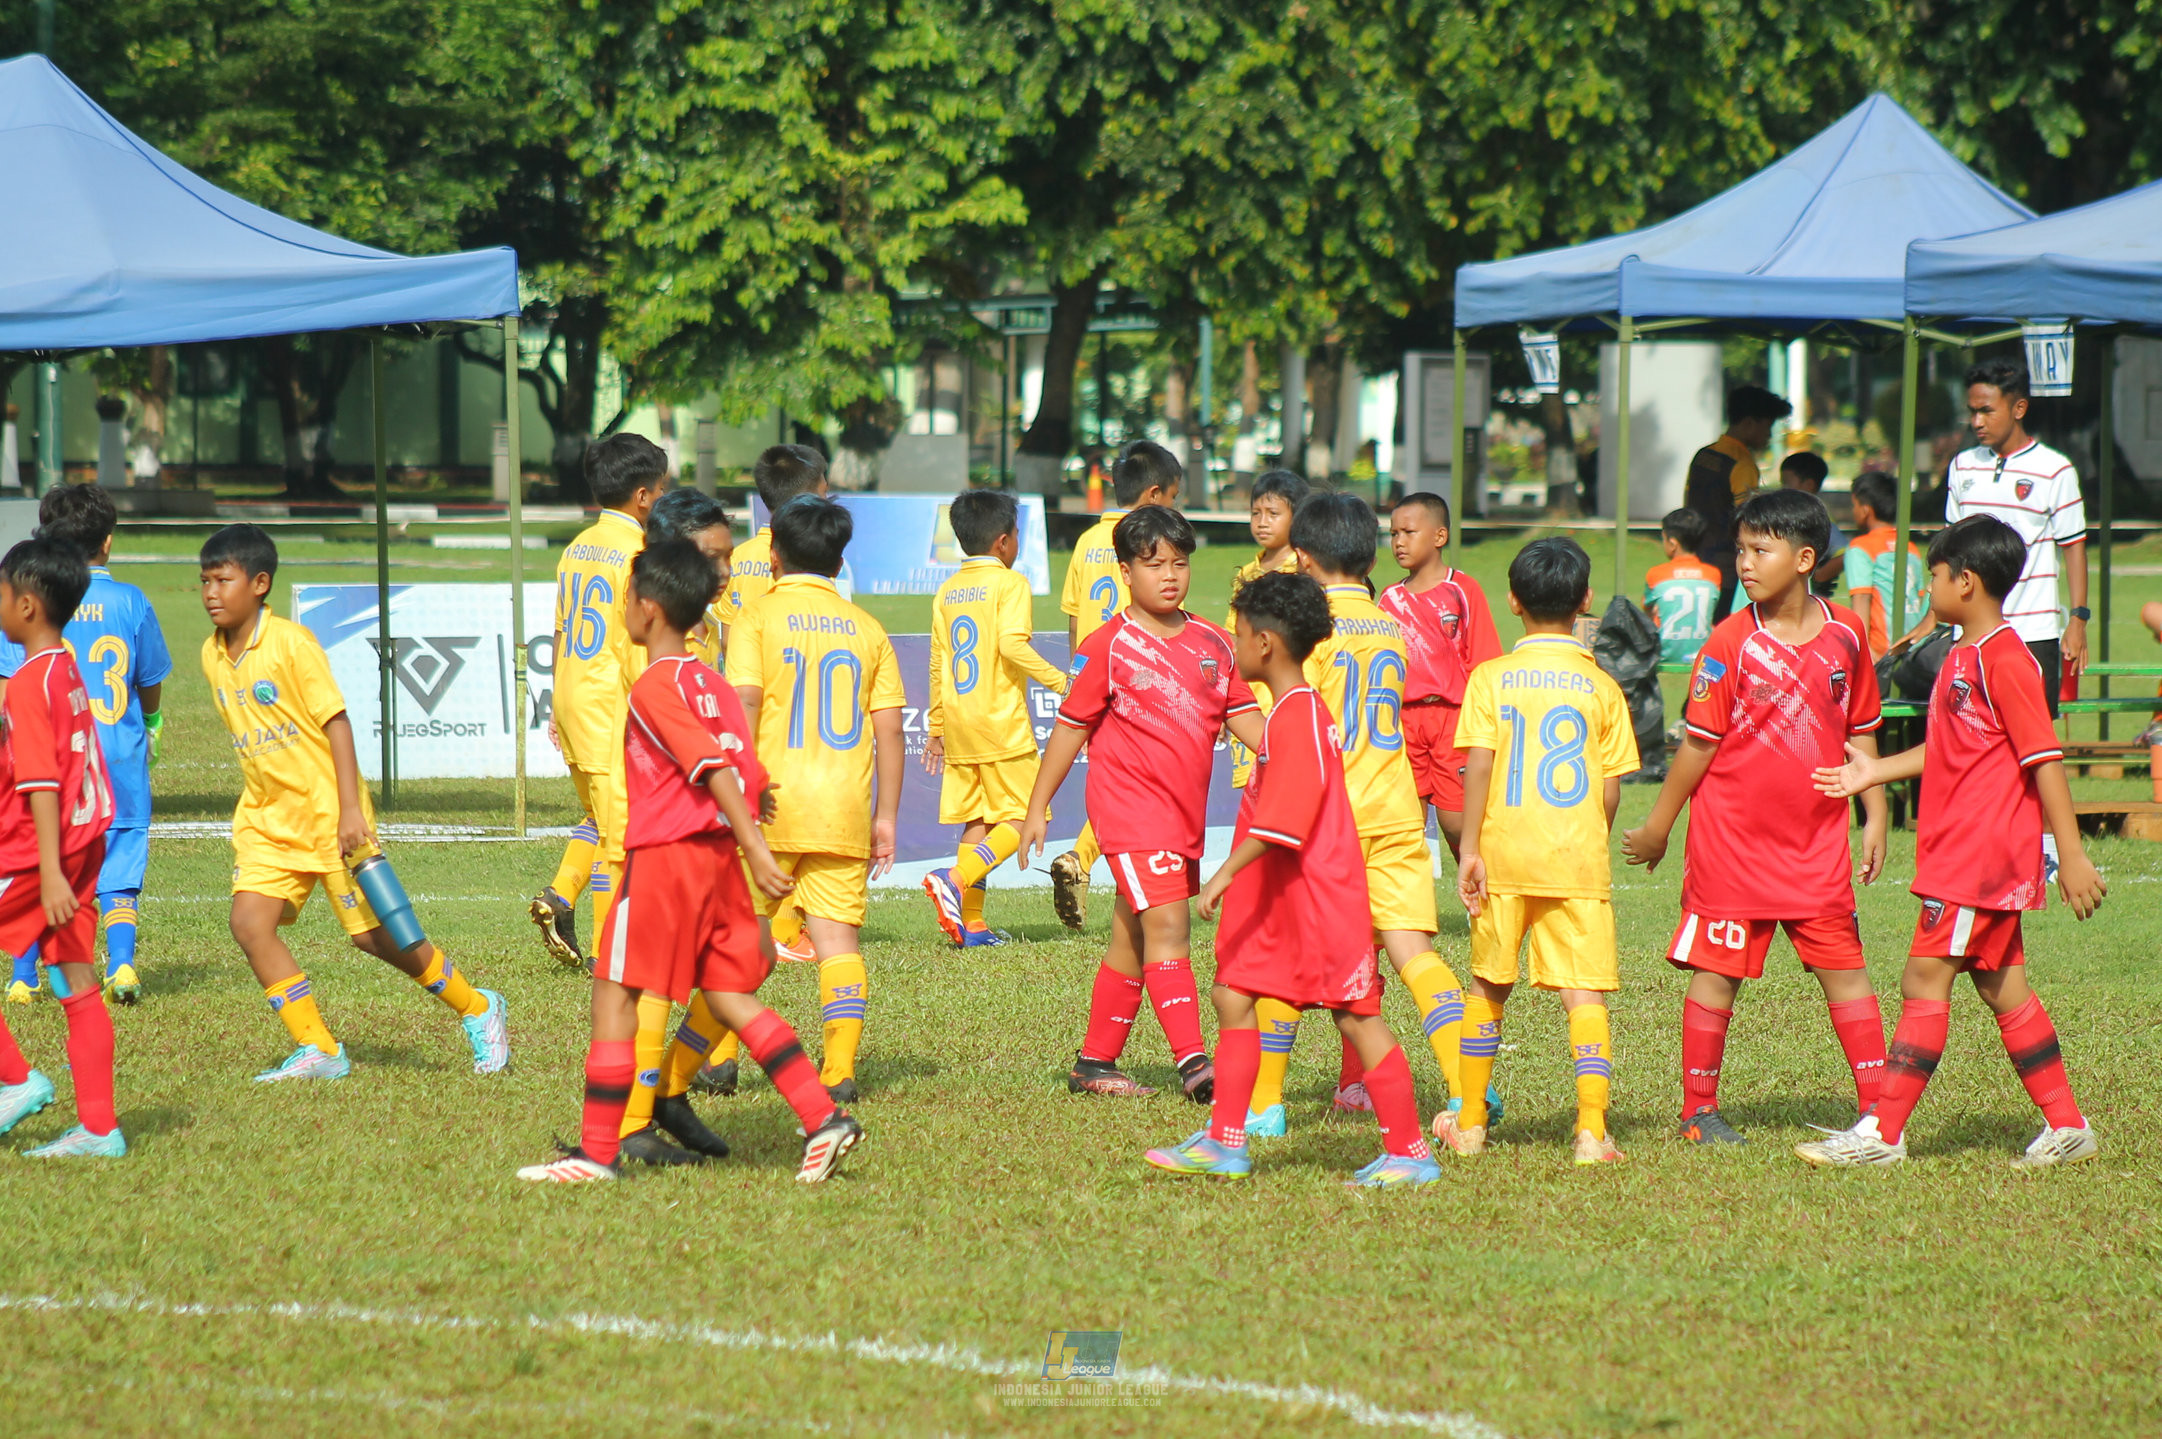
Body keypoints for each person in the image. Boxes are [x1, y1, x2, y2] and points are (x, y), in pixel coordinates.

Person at [517, 540, 862, 1184]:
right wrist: (747, 840)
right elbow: (751, 776)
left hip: (669, 859)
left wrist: (758, 850)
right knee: (729, 995)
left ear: (648, 609)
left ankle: (596, 1156)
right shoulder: (714, 681)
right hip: (717, 861)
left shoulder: (655, 684)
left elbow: (710, 766)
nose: (624, 606)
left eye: (627, 597)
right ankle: (825, 1119)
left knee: (614, 994)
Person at [1800, 515, 2105, 1168]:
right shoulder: (1962, 652)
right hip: (1962, 852)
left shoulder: (2005, 657)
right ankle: (2068, 1125)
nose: (1928, 588)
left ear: (1964, 581)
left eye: (1933, 576)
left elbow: (2044, 758)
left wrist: (2071, 853)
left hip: (1979, 856)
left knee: (1923, 978)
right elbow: (1951, 745)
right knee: (2003, 988)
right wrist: (1874, 770)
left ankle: (1882, 1133)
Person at [1142, 571, 1439, 1187]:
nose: (1234, 643)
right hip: (1288, 897)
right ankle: (1226, 1141)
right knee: (1233, 994)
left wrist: (1223, 874)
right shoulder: (1290, 712)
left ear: (1267, 644)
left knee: (1356, 1016)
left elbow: (1287, 818)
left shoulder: (1299, 714)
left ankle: (1410, 1151)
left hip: (1319, 900)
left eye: (1241, 633)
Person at [1621, 489, 1890, 1145]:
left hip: (1816, 844)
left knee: (1846, 970)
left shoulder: (1846, 636)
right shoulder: (1729, 640)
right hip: (1732, 844)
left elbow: (1862, 731)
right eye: (1740, 549)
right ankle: (1698, 1111)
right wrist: (1659, 823)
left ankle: (1881, 1109)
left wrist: (1875, 810)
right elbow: (1698, 744)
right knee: (1717, 974)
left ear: (1804, 558)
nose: (1743, 562)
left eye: (1758, 550)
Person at [197, 524, 508, 1082]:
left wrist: (349, 810)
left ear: (261, 584)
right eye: (205, 582)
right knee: (249, 923)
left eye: (225, 579)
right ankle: (319, 1048)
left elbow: (336, 724)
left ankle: (478, 1007)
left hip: (328, 814)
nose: (212, 593)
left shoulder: (292, 643)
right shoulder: (211, 655)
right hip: (268, 820)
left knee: (373, 938)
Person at [1241, 492, 1491, 1137]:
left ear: (1301, 555)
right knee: (1415, 955)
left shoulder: (1308, 628)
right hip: (1397, 810)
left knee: (1285, 957)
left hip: (1328, 818)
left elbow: (1295, 724)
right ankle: (1468, 1096)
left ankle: (1266, 1105)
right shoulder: (1389, 623)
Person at [1021, 506, 1263, 1101]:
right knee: (1171, 930)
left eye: (1179, 563)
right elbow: (1071, 728)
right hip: (1131, 813)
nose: (1170, 575)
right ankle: (1197, 1067)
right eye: (1153, 564)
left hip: (1182, 820)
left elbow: (1248, 721)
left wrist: (1299, 749)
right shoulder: (1107, 646)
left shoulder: (1213, 642)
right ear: (1126, 572)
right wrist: (1037, 807)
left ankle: (1094, 1064)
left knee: (1132, 937)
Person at [1436, 537, 1639, 1165]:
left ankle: (1469, 1124)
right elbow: (1610, 789)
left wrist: (1469, 847)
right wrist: (1589, 840)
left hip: (1502, 854)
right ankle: (1590, 1131)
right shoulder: (1602, 686)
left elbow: (1478, 765)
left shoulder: (1491, 677)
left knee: (1487, 987)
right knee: (1585, 994)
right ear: (1584, 602)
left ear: (1514, 601)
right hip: (1575, 858)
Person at [726, 496, 904, 1106]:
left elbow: (745, 702)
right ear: (840, 558)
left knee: (739, 936)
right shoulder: (868, 627)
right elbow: (889, 730)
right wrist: (885, 816)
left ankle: (719, 1060)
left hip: (767, 806)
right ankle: (839, 1071)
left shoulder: (755, 618)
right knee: (837, 945)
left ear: (772, 552)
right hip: (842, 809)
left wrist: (740, 782)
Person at [0, 485, 169, 1007]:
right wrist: (154, 721)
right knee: (119, 857)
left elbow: (12, 683)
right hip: (115, 757)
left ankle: (23, 976)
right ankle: (120, 964)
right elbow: (150, 679)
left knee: (34, 860)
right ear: (108, 542)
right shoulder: (132, 600)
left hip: (51, 759)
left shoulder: (31, 601)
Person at [0, 538, 125, 1157]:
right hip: (85, 844)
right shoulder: (65, 666)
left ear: (25, 604)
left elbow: (41, 781)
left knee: (74, 977)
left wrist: (48, 870)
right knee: (76, 980)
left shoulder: (27, 681)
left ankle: (16, 1082)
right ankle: (100, 1129)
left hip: (39, 854)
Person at [529, 435, 669, 970]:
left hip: (572, 695)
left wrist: (554, 704)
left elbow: (561, 630)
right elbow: (635, 643)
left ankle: (562, 895)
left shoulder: (577, 546)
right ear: (641, 496)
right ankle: (614, 959)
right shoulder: (636, 554)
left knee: (599, 815)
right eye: (661, 490)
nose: (663, 498)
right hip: (610, 707)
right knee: (622, 840)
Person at [1047, 441, 1184, 931]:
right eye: (1173, 498)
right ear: (1153, 495)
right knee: (1140, 783)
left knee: (1118, 780)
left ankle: (1085, 857)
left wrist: (1077, 675)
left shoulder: (1085, 542)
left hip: (1092, 674)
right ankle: (1089, 860)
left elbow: (1071, 619)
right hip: (1136, 679)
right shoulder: (1147, 544)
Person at [922, 489, 1067, 947]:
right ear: (1004, 542)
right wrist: (1064, 683)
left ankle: (974, 924)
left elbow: (936, 662)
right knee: (1030, 813)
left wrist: (936, 727)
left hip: (961, 721)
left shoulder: (947, 591)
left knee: (978, 819)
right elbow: (1011, 645)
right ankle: (955, 877)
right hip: (999, 721)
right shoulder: (1011, 583)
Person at [1942, 358, 2088, 718]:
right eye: (1972, 412)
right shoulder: (1962, 466)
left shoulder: (2055, 469)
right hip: (1971, 630)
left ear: (2019, 407)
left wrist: (2078, 620)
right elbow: (1951, 548)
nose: (1977, 422)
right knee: (1971, 730)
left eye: (1987, 411)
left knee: (2033, 738)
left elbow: (2074, 548)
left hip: (2033, 631)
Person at [1380, 490, 1503, 856]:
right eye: (1392, 534)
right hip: (1403, 721)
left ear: (1439, 537)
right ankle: (1407, 908)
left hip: (1455, 720)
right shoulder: (1389, 599)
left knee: (1456, 819)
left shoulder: (1462, 590)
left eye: (1408, 532)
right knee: (1405, 822)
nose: (1398, 542)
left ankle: (1478, 890)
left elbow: (1483, 661)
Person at [1223, 469, 1308, 792]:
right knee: (1255, 794)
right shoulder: (1246, 573)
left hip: (1287, 702)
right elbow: (1233, 638)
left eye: (1273, 514)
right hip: (1249, 703)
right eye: (1255, 513)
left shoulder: (1305, 570)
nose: (1262, 522)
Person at [1685, 386, 1792, 619]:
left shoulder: (1702, 456)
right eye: (1768, 426)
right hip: (1726, 571)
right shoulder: (1742, 465)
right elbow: (1750, 521)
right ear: (1749, 423)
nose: (1769, 435)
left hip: (1694, 566)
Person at [1842, 470, 1933, 660]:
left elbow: (1861, 599)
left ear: (1866, 509)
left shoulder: (1861, 547)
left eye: (1854, 505)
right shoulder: (1910, 547)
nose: (1853, 511)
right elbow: (1921, 598)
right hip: (1913, 647)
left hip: (1881, 651)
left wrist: (1864, 651)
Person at [1643, 508, 1723, 665]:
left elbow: (1646, 610)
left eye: (1663, 539)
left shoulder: (1656, 574)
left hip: (1663, 654)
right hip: (1703, 654)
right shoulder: (1714, 575)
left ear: (1673, 544)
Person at [1776, 452, 1844, 594]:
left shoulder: (1817, 520)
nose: (1782, 490)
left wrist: (1819, 576)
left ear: (1808, 485)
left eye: (1786, 484)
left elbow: (1846, 553)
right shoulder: (1789, 517)